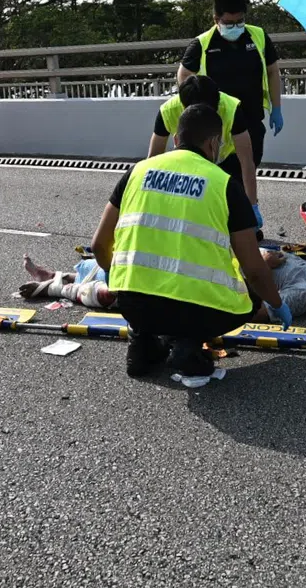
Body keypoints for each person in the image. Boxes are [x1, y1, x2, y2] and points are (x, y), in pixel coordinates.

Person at [90, 103, 292, 388]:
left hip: (131, 303)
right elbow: (255, 269)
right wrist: (276, 303)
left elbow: (99, 244)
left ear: (176, 140)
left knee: (153, 303)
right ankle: (188, 346)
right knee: (248, 297)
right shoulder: (223, 183)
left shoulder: (136, 173)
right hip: (197, 312)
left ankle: (143, 343)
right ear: (213, 143)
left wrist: (118, 278)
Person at [20, 245, 306, 324]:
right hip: (215, 263)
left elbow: (263, 310)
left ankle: (55, 287)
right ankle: (56, 275)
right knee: (119, 264)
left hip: (216, 284)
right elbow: (304, 269)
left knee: (122, 290)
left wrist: (255, 268)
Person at [177, 0, 282, 185]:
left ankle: (247, 208)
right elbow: (183, 74)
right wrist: (193, 108)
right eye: (228, 22)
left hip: (250, 119)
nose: (235, 26)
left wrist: (277, 108)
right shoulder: (202, 43)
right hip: (219, 125)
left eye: (239, 21)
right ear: (216, 18)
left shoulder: (258, 36)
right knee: (220, 181)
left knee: (247, 170)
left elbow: (273, 71)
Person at [148, 74, 260, 226]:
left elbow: (246, 161)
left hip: (226, 158)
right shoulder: (168, 111)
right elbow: (153, 161)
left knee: (232, 199)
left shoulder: (231, 108)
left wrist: (251, 206)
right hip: (188, 158)